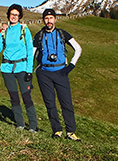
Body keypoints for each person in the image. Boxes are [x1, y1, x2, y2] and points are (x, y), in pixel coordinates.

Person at [33, 8, 82, 141]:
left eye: (51, 18)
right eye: (46, 18)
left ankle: (70, 132)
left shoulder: (62, 34)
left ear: (55, 19)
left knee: (66, 103)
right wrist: (29, 72)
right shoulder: (39, 35)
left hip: (61, 72)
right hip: (44, 73)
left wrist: (71, 66)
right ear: (44, 20)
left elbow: (78, 49)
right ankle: (57, 130)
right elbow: (32, 54)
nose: (49, 21)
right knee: (50, 103)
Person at [0, 4, 38, 133]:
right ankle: (19, 124)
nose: (14, 17)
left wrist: (29, 70)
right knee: (14, 97)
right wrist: (0, 32)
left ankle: (32, 125)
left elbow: (29, 50)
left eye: (16, 14)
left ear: (20, 16)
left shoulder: (24, 30)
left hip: (22, 68)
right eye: (12, 14)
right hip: (6, 68)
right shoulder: (5, 31)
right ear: (8, 15)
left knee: (27, 97)